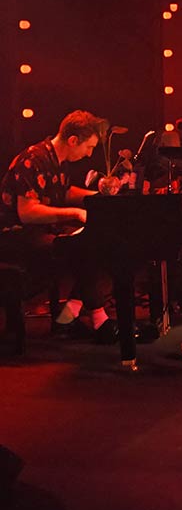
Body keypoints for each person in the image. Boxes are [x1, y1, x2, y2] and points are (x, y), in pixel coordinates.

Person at [0, 110, 113, 341]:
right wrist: (75, 213)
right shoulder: (33, 159)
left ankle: (68, 318)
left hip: (38, 231)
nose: (89, 154)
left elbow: (65, 191)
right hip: (14, 235)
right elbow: (27, 213)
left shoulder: (56, 159)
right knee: (80, 247)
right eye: (88, 147)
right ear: (73, 140)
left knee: (96, 243)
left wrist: (99, 196)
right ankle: (96, 318)